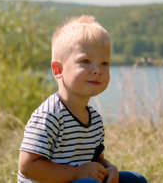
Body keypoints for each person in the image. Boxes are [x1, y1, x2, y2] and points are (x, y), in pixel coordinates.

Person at [18, 15, 147, 183]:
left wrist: (109, 168)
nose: (97, 70)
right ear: (58, 69)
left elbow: (95, 160)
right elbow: (28, 167)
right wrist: (77, 174)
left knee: (135, 180)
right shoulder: (49, 115)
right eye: (86, 61)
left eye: (104, 63)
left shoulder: (94, 119)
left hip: (81, 180)